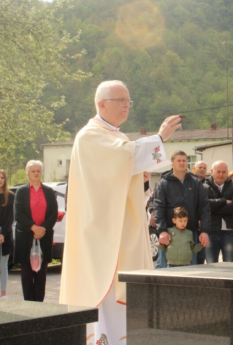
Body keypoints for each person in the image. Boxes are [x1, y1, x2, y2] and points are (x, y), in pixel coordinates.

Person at [59, 80, 182, 345]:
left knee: (121, 303)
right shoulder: (91, 135)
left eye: (129, 101)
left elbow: (125, 170)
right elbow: (124, 158)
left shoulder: (117, 136)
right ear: (101, 104)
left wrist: (142, 179)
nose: (127, 105)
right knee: (102, 298)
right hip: (100, 235)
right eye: (121, 101)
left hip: (118, 232)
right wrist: (159, 138)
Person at [154, 150, 210, 267]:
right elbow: (159, 207)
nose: (182, 163)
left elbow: (204, 207)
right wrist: (162, 230)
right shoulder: (164, 183)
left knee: (190, 272)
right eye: (178, 160)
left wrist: (204, 231)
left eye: (184, 160)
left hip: (190, 233)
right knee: (165, 271)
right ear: (172, 163)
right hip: (168, 234)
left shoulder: (196, 182)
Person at [14, 160, 58, 302]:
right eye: (33, 171)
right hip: (26, 237)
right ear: (28, 173)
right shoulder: (21, 192)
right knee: (27, 274)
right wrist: (33, 228)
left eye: (38, 171)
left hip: (43, 237)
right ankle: (29, 306)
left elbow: (53, 213)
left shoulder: (49, 192)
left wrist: (43, 228)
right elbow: (18, 214)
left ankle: (40, 306)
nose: (36, 173)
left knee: (41, 274)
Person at [204, 161, 233, 263]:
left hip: (229, 231)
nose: (221, 174)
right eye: (218, 171)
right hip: (210, 231)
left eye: (224, 172)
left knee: (229, 265)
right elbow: (204, 205)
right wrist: (224, 201)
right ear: (212, 171)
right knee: (211, 265)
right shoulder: (204, 187)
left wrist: (213, 208)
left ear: (227, 172)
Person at [0, 169, 14, 298]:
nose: (0, 180)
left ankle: (3, 293)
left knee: (3, 265)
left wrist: (3, 234)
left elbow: (10, 218)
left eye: (2, 177)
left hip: (5, 235)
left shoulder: (10, 196)